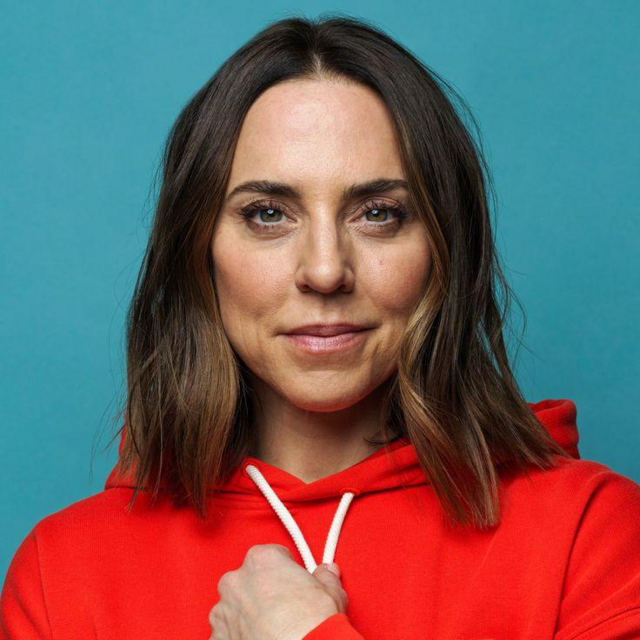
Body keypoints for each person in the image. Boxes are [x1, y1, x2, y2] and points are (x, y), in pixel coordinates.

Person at [2, 14, 639, 640]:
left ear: (445, 247)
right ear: (199, 249)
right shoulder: (62, 575)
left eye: (378, 213)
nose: (326, 270)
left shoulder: (592, 537)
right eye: (268, 214)